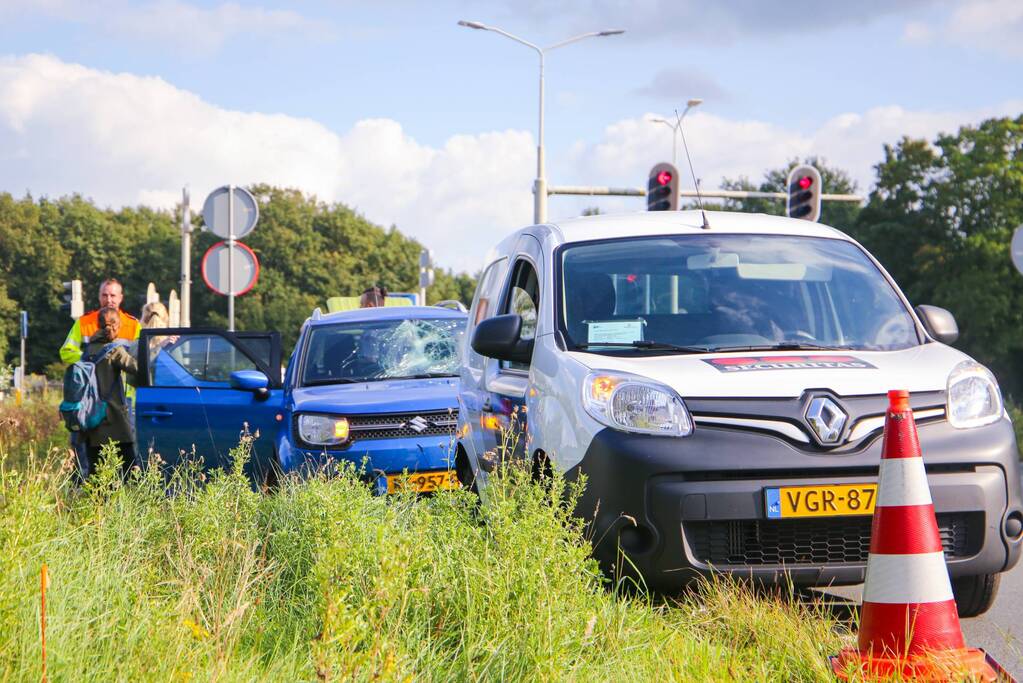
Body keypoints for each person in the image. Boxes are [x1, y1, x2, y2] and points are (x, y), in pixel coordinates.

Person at [81, 307, 139, 478]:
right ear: (117, 326)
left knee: (96, 471)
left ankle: (97, 503)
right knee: (129, 467)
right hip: (114, 417)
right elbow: (137, 368)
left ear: (98, 325)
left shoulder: (88, 350)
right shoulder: (114, 350)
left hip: (91, 416)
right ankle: (129, 502)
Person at [60, 278, 141, 364]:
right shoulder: (84, 322)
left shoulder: (133, 325)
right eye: (104, 295)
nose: (108, 300)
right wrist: (89, 357)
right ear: (99, 296)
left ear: (120, 298)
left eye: (112, 296)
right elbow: (66, 352)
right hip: (91, 376)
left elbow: (140, 356)